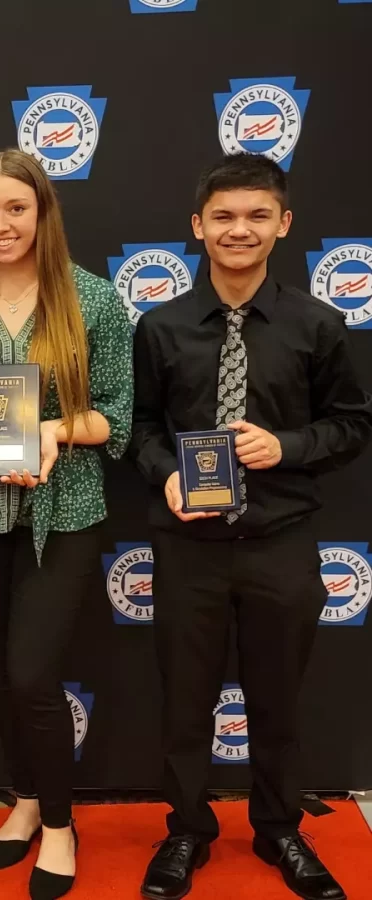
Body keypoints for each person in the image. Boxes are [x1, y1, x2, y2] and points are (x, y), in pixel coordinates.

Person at [131, 152, 371, 900]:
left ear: (284, 224)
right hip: (188, 548)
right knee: (184, 702)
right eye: (225, 216)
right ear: (197, 226)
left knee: (276, 699)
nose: (241, 229)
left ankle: (279, 830)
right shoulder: (161, 327)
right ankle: (186, 831)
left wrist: (288, 446)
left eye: (257, 215)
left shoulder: (317, 325)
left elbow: (353, 426)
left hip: (280, 540)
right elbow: (137, 428)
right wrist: (166, 471)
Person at [0, 148, 133, 900]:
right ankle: (27, 798)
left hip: (64, 511)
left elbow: (118, 415)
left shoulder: (93, 299)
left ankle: (62, 826)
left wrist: (51, 433)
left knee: (30, 672)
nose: (0, 225)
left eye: (15, 209)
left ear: (42, 212)